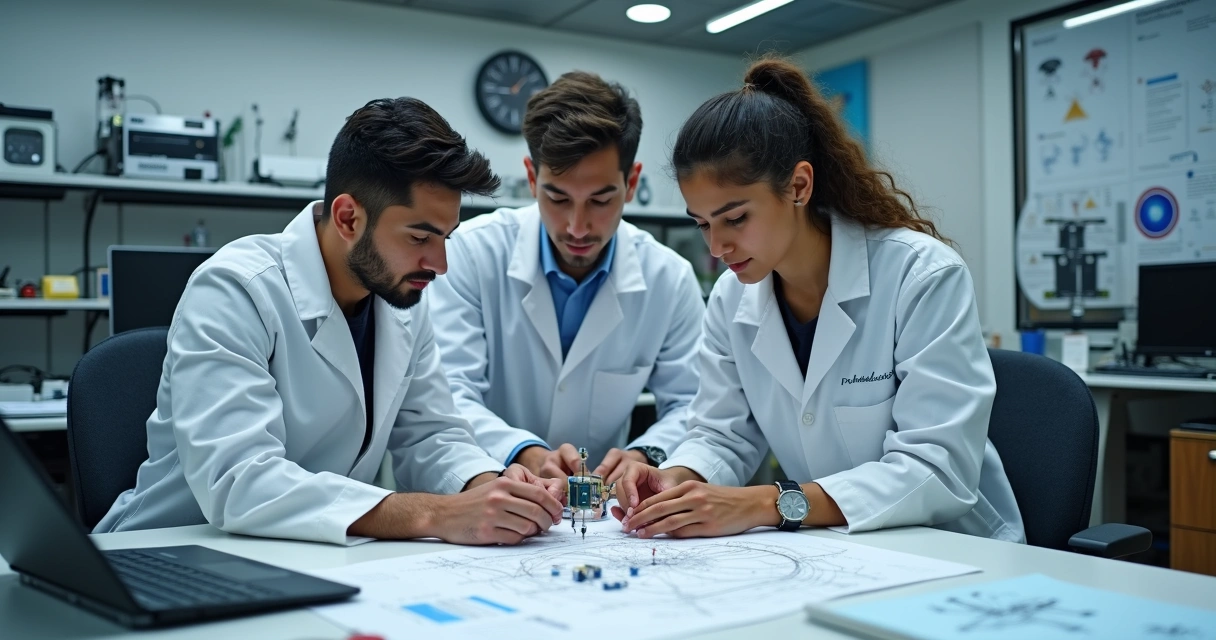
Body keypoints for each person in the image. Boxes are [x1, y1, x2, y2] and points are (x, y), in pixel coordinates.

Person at [96, 97, 564, 546]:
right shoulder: (235, 289)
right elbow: (240, 481)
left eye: (446, 237)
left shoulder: (401, 299)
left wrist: (488, 487)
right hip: (169, 551)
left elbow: (430, 433)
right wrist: (436, 514)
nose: (439, 264)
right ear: (348, 217)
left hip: (308, 554)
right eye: (420, 235)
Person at [612, 58, 1025, 543]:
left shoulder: (920, 274)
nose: (716, 248)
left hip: (954, 549)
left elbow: (936, 469)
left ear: (799, 186)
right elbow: (722, 433)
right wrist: (679, 478)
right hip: (832, 552)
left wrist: (764, 502)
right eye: (703, 224)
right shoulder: (731, 299)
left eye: (736, 218)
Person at [429, 71, 704, 483]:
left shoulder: (670, 279)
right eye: (557, 197)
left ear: (630, 183)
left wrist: (646, 454)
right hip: (492, 489)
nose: (577, 227)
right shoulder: (469, 254)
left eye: (600, 199)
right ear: (532, 177)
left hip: (606, 515)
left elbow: (693, 405)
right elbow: (447, 394)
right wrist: (522, 452)